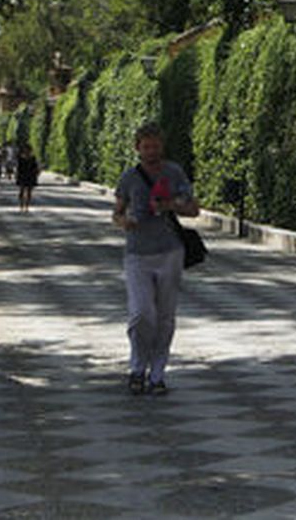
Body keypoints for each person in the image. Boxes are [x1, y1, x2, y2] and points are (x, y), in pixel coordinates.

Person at [112, 123, 198, 396]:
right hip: (137, 253)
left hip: (170, 251)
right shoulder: (129, 177)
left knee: (165, 316)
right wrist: (124, 222)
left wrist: (170, 204)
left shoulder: (174, 172)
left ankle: (157, 373)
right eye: (146, 146)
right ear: (137, 148)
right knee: (141, 314)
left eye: (156, 146)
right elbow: (116, 212)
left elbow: (193, 208)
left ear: (162, 146)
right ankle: (137, 366)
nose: (151, 151)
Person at [15, 144, 40, 213]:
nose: (27, 151)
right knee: (21, 191)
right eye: (26, 150)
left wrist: (37, 173)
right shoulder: (21, 158)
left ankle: (27, 206)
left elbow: (35, 167)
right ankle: (21, 205)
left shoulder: (33, 158)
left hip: (30, 176)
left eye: (28, 150)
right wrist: (17, 174)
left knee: (29, 192)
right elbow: (18, 168)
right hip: (22, 175)